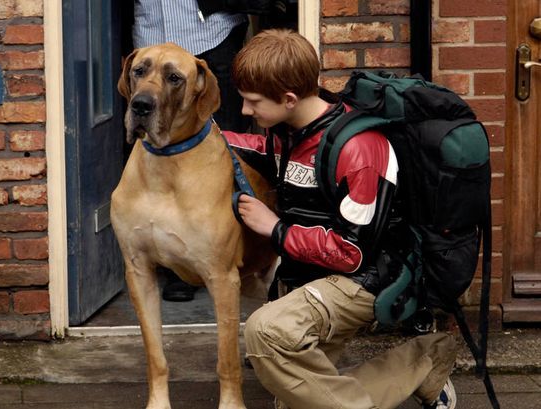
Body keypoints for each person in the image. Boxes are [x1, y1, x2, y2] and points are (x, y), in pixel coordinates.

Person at [222, 29, 458, 409]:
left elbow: (351, 252)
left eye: (253, 102)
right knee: (297, 400)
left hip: (364, 278)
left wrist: (276, 229)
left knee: (266, 331)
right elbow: (256, 149)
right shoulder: (290, 134)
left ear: (288, 99)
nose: (247, 111)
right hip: (313, 273)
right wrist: (204, 138)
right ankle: (425, 363)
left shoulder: (359, 149)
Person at [133, 0, 251, 301]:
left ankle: (231, 256)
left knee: (226, 148)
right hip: (150, 33)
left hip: (211, 34)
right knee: (158, 153)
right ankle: (178, 268)